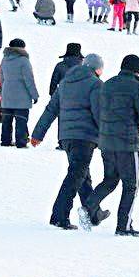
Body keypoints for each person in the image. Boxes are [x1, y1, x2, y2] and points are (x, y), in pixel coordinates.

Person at [78, 54, 139, 237]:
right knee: (131, 185)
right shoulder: (137, 87)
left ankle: (88, 207)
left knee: (110, 180)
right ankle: (124, 226)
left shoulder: (108, 85)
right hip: (127, 144)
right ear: (138, 70)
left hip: (107, 143)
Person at [29, 54, 109, 230]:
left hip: (66, 137)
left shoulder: (65, 82)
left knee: (82, 175)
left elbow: (51, 109)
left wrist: (38, 134)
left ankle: (94, 213)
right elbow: (99, 113)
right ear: (97, 68)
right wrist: (107, 137)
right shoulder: (96, 84)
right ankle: (59, 216)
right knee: (75, 176)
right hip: (85, 137)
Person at [0, 39, 39, 148]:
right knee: (21, 120)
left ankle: (5, 141)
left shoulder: (4, 60)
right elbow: (29, 79)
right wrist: (34, 95)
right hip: (22, 96)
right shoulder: (24, 60)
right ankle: (21, 142)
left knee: (6, 120)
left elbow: (1, 77)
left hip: (7, 94)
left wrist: (3, 89)